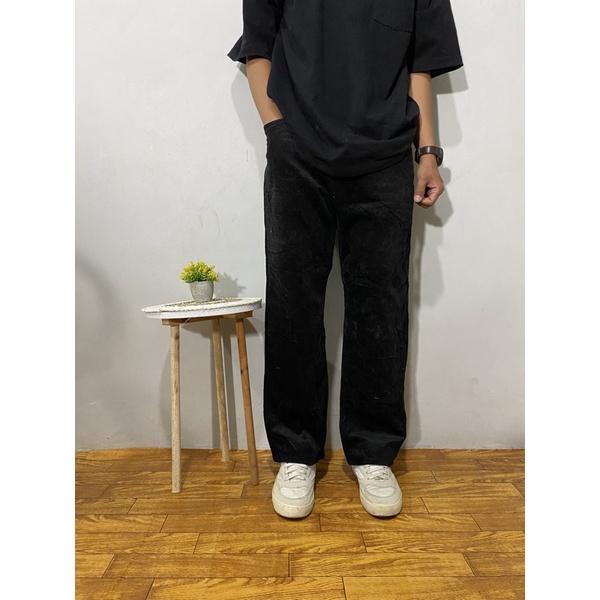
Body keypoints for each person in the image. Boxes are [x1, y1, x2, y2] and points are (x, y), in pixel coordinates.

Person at [228, 0, 463, 518]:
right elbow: (258, 47)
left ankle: (373, 453)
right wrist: (277, 131)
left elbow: (420, 63)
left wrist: (428, 152)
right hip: (297, 153)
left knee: (380, 306)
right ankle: (295, 453)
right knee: (293, 302)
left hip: (385, 155)